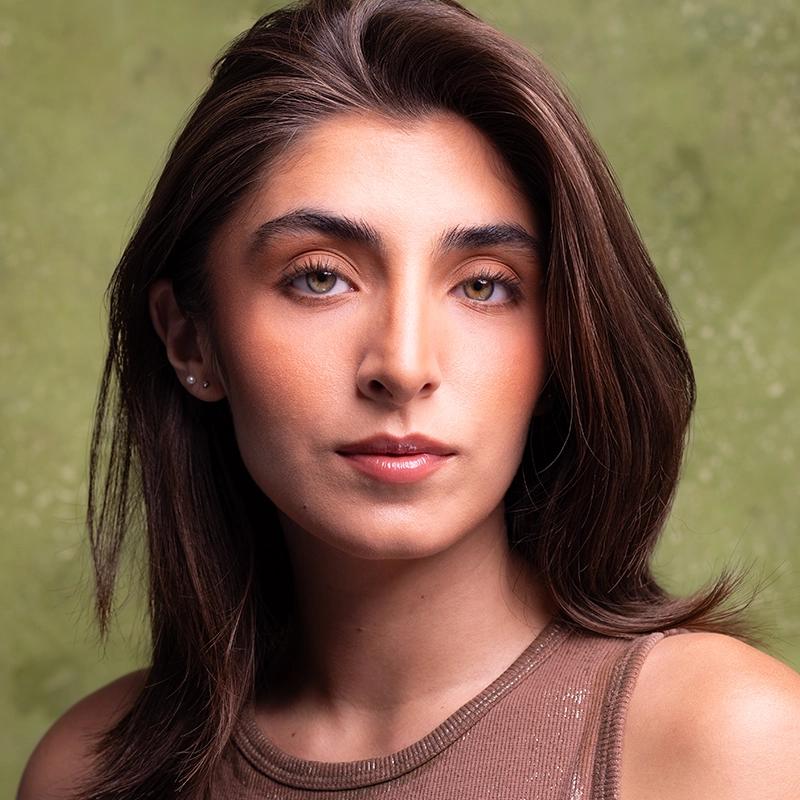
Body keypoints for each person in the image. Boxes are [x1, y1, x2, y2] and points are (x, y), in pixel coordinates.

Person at [17, 0, 800, 797]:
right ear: (191, 340)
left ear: (559, 344)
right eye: (319, 277)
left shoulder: (731, 745)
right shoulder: (87, 773)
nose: (403, 364)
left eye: (485, 286)